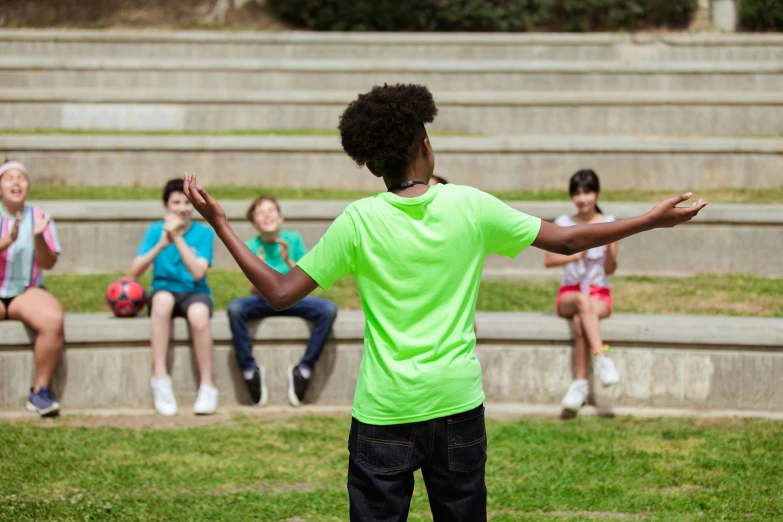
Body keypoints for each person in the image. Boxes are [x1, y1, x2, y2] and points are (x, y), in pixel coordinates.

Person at [180, 83, 706, 521]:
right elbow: (566, 242)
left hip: (384, 411)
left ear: (372, 165)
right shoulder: (469, 205)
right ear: (426, 146)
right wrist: (650, 220)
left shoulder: (359, 221)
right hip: (456, 404)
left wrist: (222, 225)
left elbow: (277, 293)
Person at [226, 195, 338, 407]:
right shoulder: (250, 246)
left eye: (271, 210)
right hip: (263, 300)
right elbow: (253, 290)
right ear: (253, 222)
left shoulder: (293, 239)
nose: (267, 215)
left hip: (294, 299)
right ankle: (249, 370)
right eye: (261, 212)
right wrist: (258, 269)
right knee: (235, 308)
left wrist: (287, 259)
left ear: (281, 217)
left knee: (328, 309)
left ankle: (304, 369)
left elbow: (306, 279)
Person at [131, 179, 218, 416]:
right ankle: (160, 378)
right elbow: (135, 271)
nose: (182, 208)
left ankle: (208, 385)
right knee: (161, 302)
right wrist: (161, 244)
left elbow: (199, 272)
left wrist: (177, 238)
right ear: (165, 205)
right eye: (176, 202)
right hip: (164, 290)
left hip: (195, 292)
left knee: (199, 315)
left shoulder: (203, 232)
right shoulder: (154, 230)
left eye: (187, 203)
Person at [545, 170, 620, 415]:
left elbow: (610, 269)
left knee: (580, 321)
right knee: (580, 301)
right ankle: (601, 357)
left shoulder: (609, 222)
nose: (582, 199)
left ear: (597, 193)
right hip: (570, 293)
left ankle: (579, 384)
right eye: (577, 193)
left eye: (587, 192)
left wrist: (609, 250)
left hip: (599, 294)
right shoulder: (564, 223)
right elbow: (549, 260)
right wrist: (579, 253)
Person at [0, 160, 63, 417]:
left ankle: (40, 392)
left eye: (21, 178)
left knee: (53, 320)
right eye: (9, 178)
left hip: (26, 291)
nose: (16, 182)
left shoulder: (39, 217)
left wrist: (38, 237)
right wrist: (9, 240)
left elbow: (49, 263)